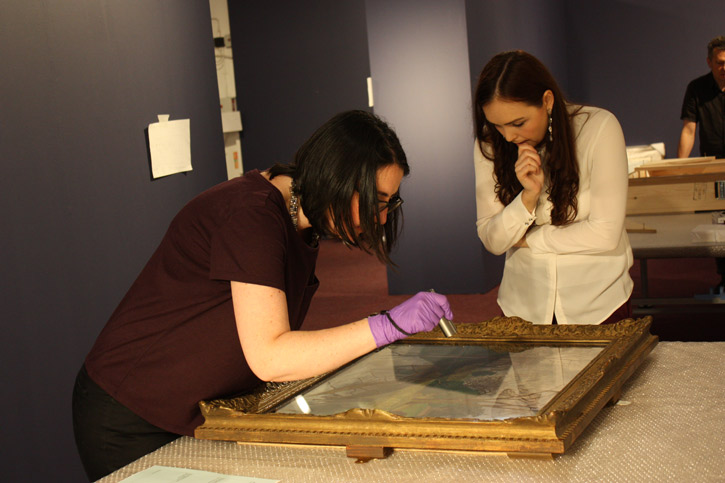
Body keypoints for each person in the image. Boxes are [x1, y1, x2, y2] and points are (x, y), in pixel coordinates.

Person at [73, 110, 453, 481]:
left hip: (203, 409)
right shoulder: (251, 214)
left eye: (390, 202)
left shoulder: (301, 219)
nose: (382, 217)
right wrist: (385, 326)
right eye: (377, 200)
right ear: (335, 178)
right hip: (131, 412)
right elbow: (271, 357)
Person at [472, 50, 633, 325]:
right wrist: (527, 198)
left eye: (518, 123)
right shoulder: (490, 144)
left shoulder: (598, 128)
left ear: (547, 101)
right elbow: (493, 240)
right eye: (497, 125)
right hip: (522, 307)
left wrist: (529, 239)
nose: (509, 136)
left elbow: (605, 233)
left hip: (598, 304)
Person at [677, 36, 725, 292]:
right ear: (710, 62)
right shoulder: (697, 88)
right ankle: (724, 276)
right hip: (714, 165)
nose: (724, 67)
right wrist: (679, 169)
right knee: (720, 222)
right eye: (719, 62)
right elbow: (689, 129)